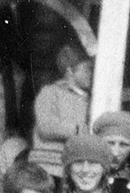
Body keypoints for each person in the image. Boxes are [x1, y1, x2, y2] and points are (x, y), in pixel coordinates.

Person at [30, 44, 94, 179]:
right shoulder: (51, 92)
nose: (91, 74)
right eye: (87, 69)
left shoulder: (92, 99)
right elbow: (45, 126)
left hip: (75, 169)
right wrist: (78, 130)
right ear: (71, 70)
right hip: (48, 168)